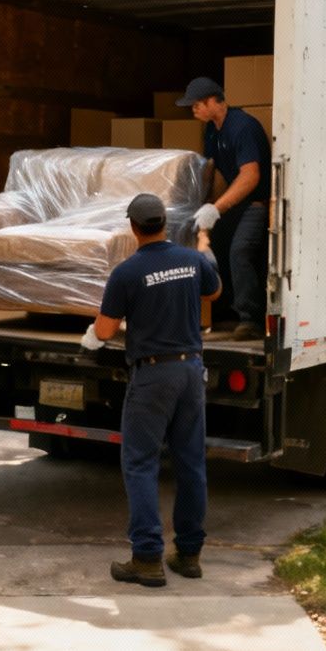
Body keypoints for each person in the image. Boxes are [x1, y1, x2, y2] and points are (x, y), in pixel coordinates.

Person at [84, 194, 223, 587]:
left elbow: (106, 329)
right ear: (165, 223)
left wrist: (93, 337)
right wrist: (204, 245)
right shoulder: (192, 261)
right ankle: (190, 554)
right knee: (191, 463)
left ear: (133, 227)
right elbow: (213, 292)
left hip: (152, 376)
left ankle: (147, 558)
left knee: (141, 464)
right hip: (190, 370)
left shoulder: (127, 272)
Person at [179, 76, 271, 340]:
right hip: (234, 204)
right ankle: (225, 309)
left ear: (211, 102)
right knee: (214, 248)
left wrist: (217, 207)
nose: (193, 110)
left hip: (254, 203)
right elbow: (213, 169)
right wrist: (200, 202)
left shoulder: (242, 127)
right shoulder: (213, 129)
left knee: (240, 251)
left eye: (196, 105)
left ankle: (250, 319)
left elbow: (250, 176)